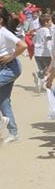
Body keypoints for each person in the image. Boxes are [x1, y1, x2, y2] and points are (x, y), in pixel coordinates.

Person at [0, 8, 28, 143]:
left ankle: (2, 122)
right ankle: (13, 132)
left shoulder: (4, 32)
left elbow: (23, 45)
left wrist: (11, 56)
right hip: (3, 68)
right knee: (4, 102)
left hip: (10, 69)